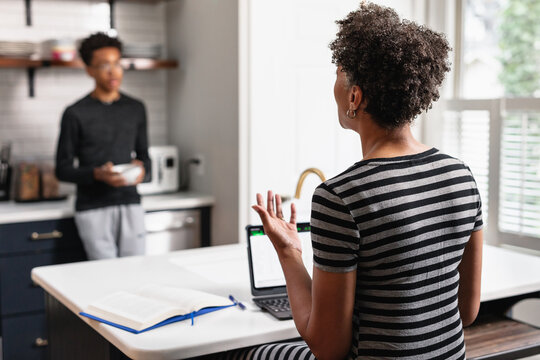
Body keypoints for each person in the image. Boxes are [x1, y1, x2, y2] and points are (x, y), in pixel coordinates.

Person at [222, 2, 483, 360]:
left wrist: (288, 252)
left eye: (339, 73)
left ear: (354, 97)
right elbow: (467, 312)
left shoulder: (340, 197)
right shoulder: (461, 176)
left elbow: (328, 349)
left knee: (248, 355)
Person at [55, 32, 151, 260]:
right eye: (103, 65)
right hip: (92, 209)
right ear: (89, 70)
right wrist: (98, 174)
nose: (113, 71)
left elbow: (145, 159)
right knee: (104, 279)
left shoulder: (136, 108)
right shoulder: (75, 113)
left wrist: (142, 172)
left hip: (130, 203)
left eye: (117, 63)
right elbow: (62, 169)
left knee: (136, 274)